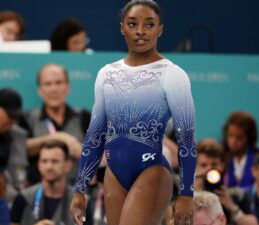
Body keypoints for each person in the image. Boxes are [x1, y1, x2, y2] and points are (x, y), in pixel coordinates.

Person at [70, 1, 196, 225]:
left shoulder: (173, 75)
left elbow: (186, 138)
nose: (140, 31)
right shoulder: (107, 74)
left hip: (153, 171)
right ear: (122, 28)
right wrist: (80, 189)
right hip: (114, 173)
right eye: (132, 24)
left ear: (160, 29)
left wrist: (186, 194)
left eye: (149, 25)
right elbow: (95, 135)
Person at [18, 63, 91, 185]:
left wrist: (83, 152)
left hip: (78, 192)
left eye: (58, 83)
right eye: (47, 84)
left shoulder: (84, 117)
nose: (53, 89)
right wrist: (56, 137)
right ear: (40, 91)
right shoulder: (28, 118)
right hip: (39, 192)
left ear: (68, 87)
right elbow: (19, 149)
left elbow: (102, 154)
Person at [10, 140, 86, 225]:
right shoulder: (23, 198)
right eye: (44, 161)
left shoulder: (81, 201)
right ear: (38, 165)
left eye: (55, 161)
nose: (49, 166)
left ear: (68, 165)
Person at [195, 139, 258, 225]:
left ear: (223, 165)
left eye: (214, 164)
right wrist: (195, 194)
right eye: (203, 165)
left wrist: (231, 206)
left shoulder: (237, 195)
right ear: (196, 168)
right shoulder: (185, 195)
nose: (209, 169)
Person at [222, 112, 259, 190]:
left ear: (249, 138)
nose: (233, 141)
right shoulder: (219, 154)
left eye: (239, 137)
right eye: (230, 135)